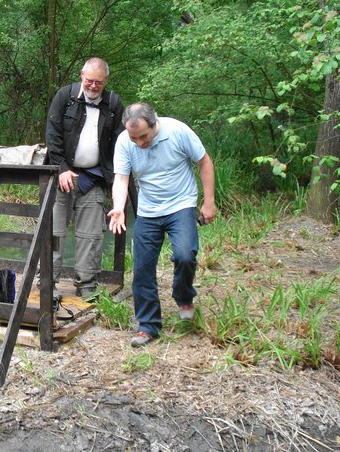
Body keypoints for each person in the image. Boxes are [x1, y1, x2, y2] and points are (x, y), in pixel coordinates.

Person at [108, 102, 217, 347]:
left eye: (143, 136)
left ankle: (184, 296)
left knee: (185, 255)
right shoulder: (126, 141)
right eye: (134, 138)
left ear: (155, 123)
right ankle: (148, 326)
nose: (139, 143)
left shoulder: (178, 131)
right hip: (148, 210)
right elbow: (122, 179)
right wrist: (118, 208)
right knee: (142, 268)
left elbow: (205, 163)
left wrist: (208, 202)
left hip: (181, 204)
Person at [45, 57, 124, 301]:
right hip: (62, 176)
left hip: (94, 178)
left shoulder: (113, 103)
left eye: (98, 82)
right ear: (81, 75)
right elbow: (52, 133)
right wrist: (62, 169)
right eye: (89, 80)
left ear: (105, 81)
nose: (93, 86)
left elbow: (120, 143)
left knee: (91, 236)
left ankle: (87, 285)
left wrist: (116, 178)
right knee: (55, 233)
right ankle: (49, 284)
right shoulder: (64, 96)